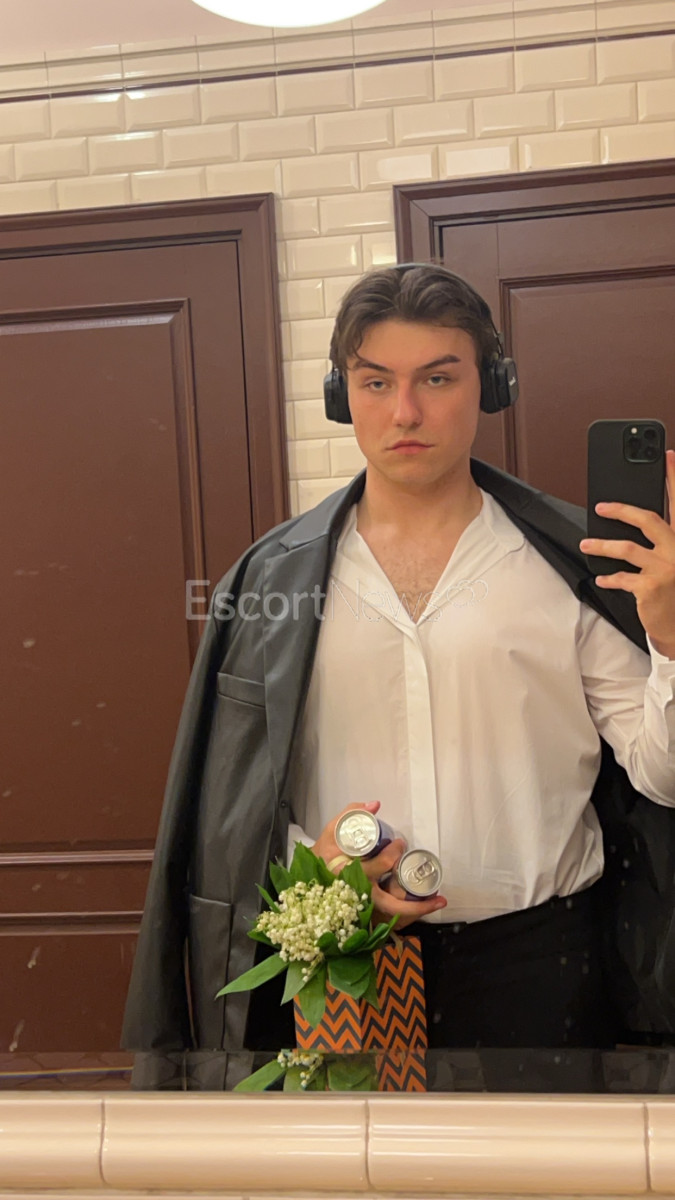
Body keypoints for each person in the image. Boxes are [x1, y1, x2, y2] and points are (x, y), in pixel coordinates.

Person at [122, 264, 675, 1089]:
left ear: (490, 387)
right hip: (346, 963)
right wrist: (314, 864)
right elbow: (231, 807)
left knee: (537, 1164)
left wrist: (669, 636)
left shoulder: (577, 566)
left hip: (544, 970)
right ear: (341, 396)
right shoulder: (270, 583)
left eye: (437, 379)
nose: (404, 412)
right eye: (375, 382)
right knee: (359, 1161)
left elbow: (662, 775)